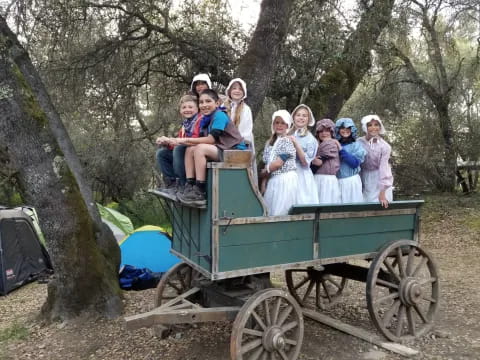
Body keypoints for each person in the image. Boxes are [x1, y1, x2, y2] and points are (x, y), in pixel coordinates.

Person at [166, 89, 246, 206]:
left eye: (208, 101)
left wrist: (184, 140)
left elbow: (210, 140)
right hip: (222, 148)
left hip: (234, 151)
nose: (204, 105)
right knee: (190, 149)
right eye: (201, 102)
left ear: (217, 103)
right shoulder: (206, 119)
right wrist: (175, 141)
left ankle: (200, 190)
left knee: (199, 149)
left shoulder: (219, 115)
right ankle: (190, 185)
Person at [155, 94, 202, 196]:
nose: (187, 110)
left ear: (197, 108)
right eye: (184, 107)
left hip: (194, 154)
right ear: (180, 110)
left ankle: (183, 184)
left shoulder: (200, 120)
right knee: (162, 153)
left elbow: (196, 139)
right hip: (183, 153)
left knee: (179, 149)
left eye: (190, 107)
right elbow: (177, 142)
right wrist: (167, 143)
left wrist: (175, 141)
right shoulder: (185, 125)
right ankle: (172, 184)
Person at [260, 110, 298, 216]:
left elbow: (277, 164)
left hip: (285, 179)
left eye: (283, 123)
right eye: (277, 122)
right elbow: (267, 163)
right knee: (270, 209)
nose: (279, 125)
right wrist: (263, 183)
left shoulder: (286, 141)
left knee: (281, 210)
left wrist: (264, 172)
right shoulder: (269, 143)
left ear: (288, 125)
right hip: (273, 179)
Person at [224, 78, 258, 182]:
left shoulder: (246, 109)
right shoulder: (223, 107)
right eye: (234, 88)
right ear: (229, 91)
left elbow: (245, 130)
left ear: (244, 92)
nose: (237, 91)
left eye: (240, 89)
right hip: (224, 143)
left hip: (241, 143)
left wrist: (234, 142)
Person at [357, 114, 393, 208]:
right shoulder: (358, 142)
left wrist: (382, 193)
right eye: (370, 125)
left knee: (378, 206)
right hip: (363, 178)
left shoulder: (385, 146)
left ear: (380, 127)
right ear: (365, 127)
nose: (373, 128)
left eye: (376, 124)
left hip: (378, 180)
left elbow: (384, 169)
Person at [289, 104, 319, 204]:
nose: (301, 118)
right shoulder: (286, 134)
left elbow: (305, 162)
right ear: (293, 117)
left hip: (301, 176)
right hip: (286, 174)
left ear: (308, 119)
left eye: (304, 115)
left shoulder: (311, 139)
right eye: (298, 115)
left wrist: (296, 144)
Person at [335, 118, 366, 203]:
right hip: (336, 182)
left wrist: (341, 150)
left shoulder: (356, 145)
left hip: (352, 182)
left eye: (348, 128)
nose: (345, 130)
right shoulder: (333, 144)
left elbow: (354, 163)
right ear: (338, 130)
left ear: (352, 130)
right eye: (342, 128)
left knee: (353, 207)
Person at [312, 118, 341, 204]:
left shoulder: (331, 143)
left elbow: (319, 162)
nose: (324, 133)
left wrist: (311, 159)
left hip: (327, 180)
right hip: (318, 178)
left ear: (332, 132)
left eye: (327, 131)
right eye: (321, 131)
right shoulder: (316, 145)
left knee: (327, 203)